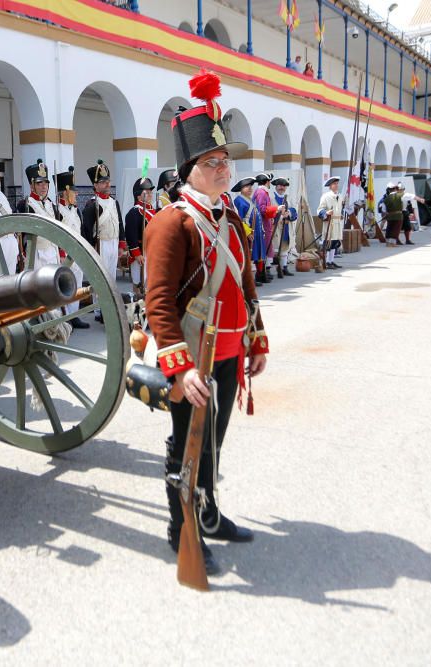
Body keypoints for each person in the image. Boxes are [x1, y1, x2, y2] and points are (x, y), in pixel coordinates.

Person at [144, 70, 268, 576]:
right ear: (191, 169)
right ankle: (182, 529)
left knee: (213, 445)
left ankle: (210, 515)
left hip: (229, 350)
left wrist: (256, 339)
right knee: (186, 447)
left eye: (226, 160)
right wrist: (180, 367)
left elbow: (246, 284)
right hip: (194, 358)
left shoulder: (231, 217)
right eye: (214, 161)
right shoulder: (171, 223)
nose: (224, 168)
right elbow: (157, 303)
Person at [80, 159, 124, 323]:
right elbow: (86, 229)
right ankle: (99, 310)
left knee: (112, 277)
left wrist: (121, 244)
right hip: (101, 244)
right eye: (102, 182)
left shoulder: (114, 202)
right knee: (100, 278)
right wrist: (91, 247)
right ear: (95, 185)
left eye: (107, 181)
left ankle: (110, 307)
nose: (106, 184)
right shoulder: (92, 205)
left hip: (113, 242)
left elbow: (119, 223)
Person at [53, 167, 90, 329]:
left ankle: (74, 315)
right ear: (65, 192)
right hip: (64, 254)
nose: (77, 195)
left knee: (77, 283)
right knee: (64, 285)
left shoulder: (76, 210)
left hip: (76, 253)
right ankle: (65, 317)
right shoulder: (57, 210)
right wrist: (61, 252)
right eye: (74, 192)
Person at [124, 172, 155, 299]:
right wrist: (137, 254)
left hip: (152, 251)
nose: (150, 194)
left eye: (150, 192)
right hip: (141, 253)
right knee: (140, 283)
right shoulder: (135, 212)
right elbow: (131, 234)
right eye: (146, 192)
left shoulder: (153, 210)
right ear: (138, 196)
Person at [231, 177, 267, 285]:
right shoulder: (239, 201)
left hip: (256, 232)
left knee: (256, 255)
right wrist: (247, 232)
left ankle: (257, 277)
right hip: (248, 233)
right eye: (247, 186)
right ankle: (249, 280)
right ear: (241, 189)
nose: (250, 188)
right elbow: (239, 219)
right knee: (249, 256)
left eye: (251, 186)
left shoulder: (251, 200)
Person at [270, 177, 296, 277]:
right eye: (280, 185)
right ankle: (268, 269)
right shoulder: (271, 197)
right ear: (276, 186)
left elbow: (294, 209)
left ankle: (284, 267)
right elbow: (269, 211)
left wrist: (288, 213)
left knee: (285, 246)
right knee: (274, 248)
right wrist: (280, 216)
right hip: (275, 227)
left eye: (284, 186)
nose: (282, 188)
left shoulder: (288, 197)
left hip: (286, 226)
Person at [317, 176, 344, 267]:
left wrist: (341, 215)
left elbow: (339, 208)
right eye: (334, 184)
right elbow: (320, 210)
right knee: (329, 242)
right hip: (329, 222)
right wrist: (326, 212)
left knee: (335, 243)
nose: (336, 185)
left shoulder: (340, 196)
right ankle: (326, 261)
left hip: (337, 223)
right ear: (330, 186)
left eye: (337, 184)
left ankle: (331, 261)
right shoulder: (325, 196)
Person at [253, 172, 274, 282]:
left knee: (266, 248)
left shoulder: (263, 192)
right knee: (263, 249)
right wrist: (276, 209)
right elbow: (262, 209)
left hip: (266, 224)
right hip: (262, 224)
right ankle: (261, 273)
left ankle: (264, 271)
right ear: (267, 182)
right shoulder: (261, 192)